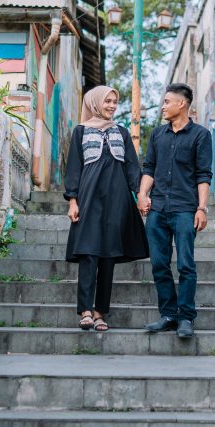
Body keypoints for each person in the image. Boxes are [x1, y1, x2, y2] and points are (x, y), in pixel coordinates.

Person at [64, 85, 149, 332]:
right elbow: (74, 168)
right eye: (107, 101)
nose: (112, 106)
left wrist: (140, 195)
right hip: (89, 198)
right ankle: (85, 311)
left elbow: (132, 167)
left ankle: (100, 313)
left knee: (109, 256)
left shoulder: (121, 132)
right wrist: (72, 200)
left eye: (114, 102)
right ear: (94, 102)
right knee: (88, 252)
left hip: (117, 199)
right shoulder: (80, 131)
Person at [137, 82, 213, 339]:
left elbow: (203, 174)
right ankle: (168, 314)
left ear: (182, 103)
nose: (163, 106)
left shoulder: (201, 135)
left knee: (185, 265)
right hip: (157, 208)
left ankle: (186, 317)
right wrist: (142, 194)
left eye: (167, 102)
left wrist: (201, 208)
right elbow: (149, 168)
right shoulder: (157, 135)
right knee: (159, 263)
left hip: (185, 209)